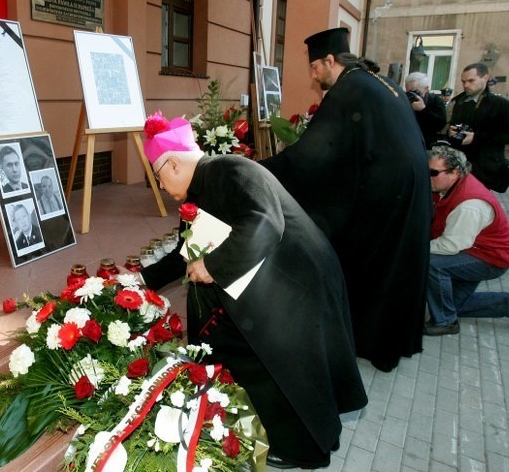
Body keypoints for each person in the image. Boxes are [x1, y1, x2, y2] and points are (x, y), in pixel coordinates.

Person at [140, 115, 367, 469]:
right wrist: (143, 279)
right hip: (267, 283)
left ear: (173, 162)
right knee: (243, 354)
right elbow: (186, 249)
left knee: (292, 368)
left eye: (159, 178)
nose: (162, 188)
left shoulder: (231, 170)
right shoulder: (197, 191)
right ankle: (271, 427)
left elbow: (264, 222)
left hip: (297, 282)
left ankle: (306, 451)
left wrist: (212, 266)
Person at [259, 27, 432, 372]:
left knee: (368, 258)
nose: (313, 75)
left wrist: (257, 171)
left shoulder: (348, 89)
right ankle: (386, 343)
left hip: (387, 191)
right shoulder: (377, 82)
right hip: (407, 187)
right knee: (394, 263)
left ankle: (370, 342)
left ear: (329, 60)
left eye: (314, 67)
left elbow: (312, 155)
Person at [424, 145, 509, 335]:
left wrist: (416, 247)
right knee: (449, 303)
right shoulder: (449, 185)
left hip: (490, 258)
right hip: (475, 249)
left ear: (455, 173)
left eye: (433, 172)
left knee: (432, 264)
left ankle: (445, 322)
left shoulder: (469, 205)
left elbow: (450, 245)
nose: (428, 176)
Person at [448, 62, 509, 191]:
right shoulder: (459, 101)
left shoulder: (501, 105)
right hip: (458, 164)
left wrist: (477, 137)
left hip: (484, 168)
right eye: (463, 81)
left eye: (471, 81)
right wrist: (451, 132)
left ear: (485, 78)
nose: (466, 85)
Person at [405, 72, 448, 147]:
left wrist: (423, 110)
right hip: (407, 142)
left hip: (426, 144)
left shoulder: (435, 100)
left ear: (426, 89)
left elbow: (440, 124)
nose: (411, 95)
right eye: (408, 92)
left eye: (414, 91)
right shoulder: (405, 99)